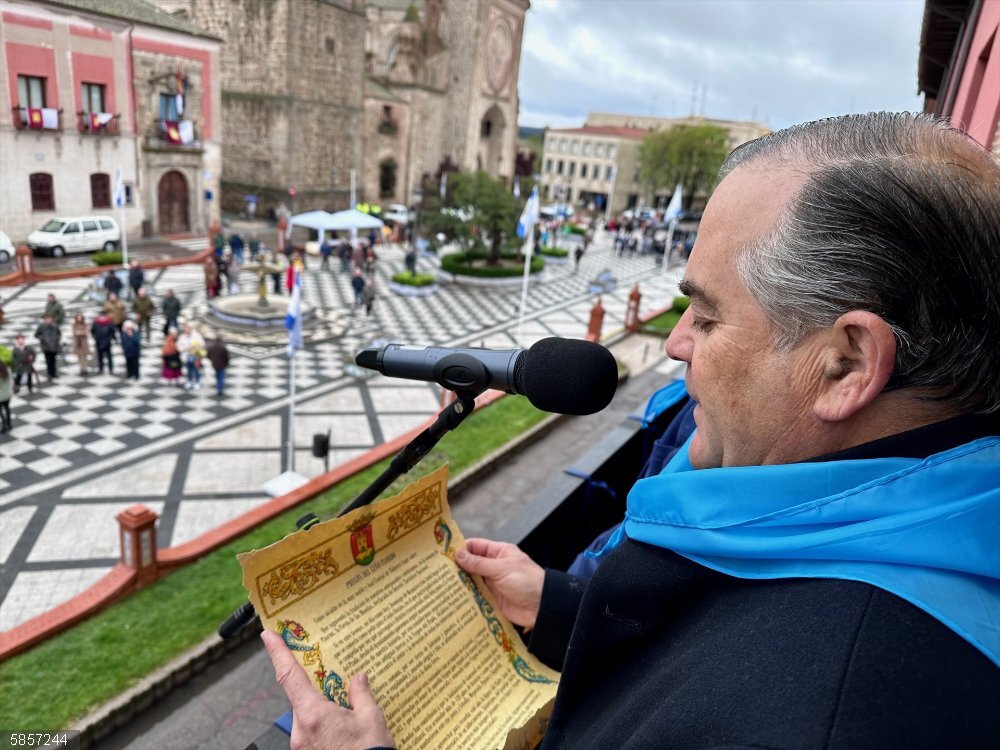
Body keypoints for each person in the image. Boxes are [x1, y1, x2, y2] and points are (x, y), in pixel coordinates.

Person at [263, 113, 1000, 748]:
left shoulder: (826, 716)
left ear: (846, 365)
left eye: (706, 316)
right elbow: (707, 648)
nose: (675, 344)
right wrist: (558, 606)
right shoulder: (870, 516)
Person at [177, 322, 206, 390]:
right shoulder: (182, 336)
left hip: (195, 356)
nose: (188, 329)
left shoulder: (197, 335)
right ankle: (190, 381)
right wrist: (185, 348)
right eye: (186, 328)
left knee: (196, 369)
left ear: (191, 328)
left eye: (189, 328)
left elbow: (202, 344)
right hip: (186, 356)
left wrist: (195, 347)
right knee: (189, 369)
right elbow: (178, 346)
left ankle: (197, 382)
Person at [34, 314, 61, 380]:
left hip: (54, 346)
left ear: (51, 319)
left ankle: (54, 373)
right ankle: (49, 374)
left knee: (53, 360)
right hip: (46, 347)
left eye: (49, 319)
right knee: (48, 361)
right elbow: (36, 335)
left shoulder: (55, 326)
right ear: (44, 320)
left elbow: (59, 333)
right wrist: (42, 338)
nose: (48, 320)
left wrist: (57, 338)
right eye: (46, 319)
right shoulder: (41, 327)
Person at [0, 361, 12, 432]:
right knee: (7, 408)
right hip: (8, 394)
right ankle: (9, 424)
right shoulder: (8, 370)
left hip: (1, 396)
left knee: (1, 411)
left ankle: (4, 425)